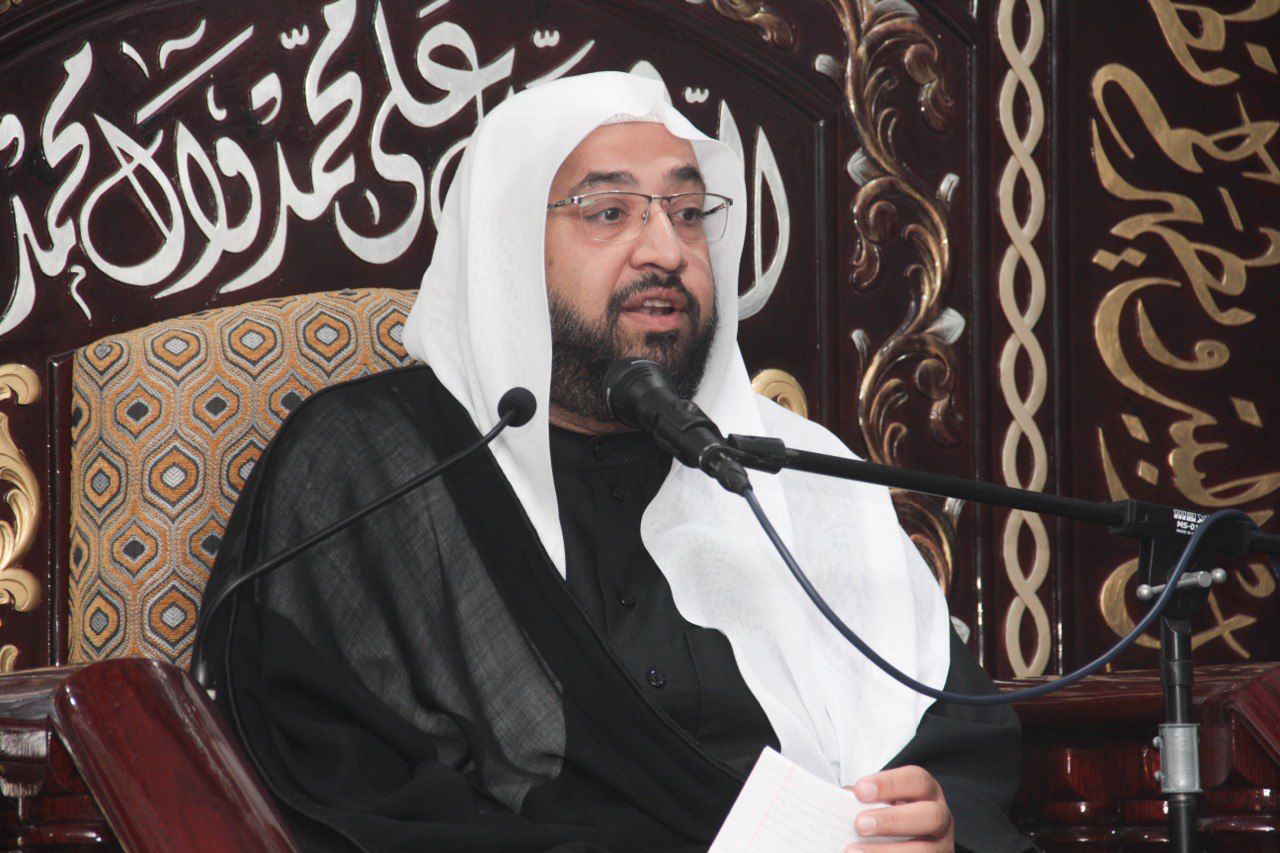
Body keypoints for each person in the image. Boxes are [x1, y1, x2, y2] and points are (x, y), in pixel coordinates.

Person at [200, 72, 1031, 852]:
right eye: (609, 212)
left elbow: (957, 741)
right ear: (506, 247)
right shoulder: (374, 466)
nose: (665, 249)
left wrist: (932, 822)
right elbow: (329, 773)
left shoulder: (792, 470)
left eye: (688, 211)